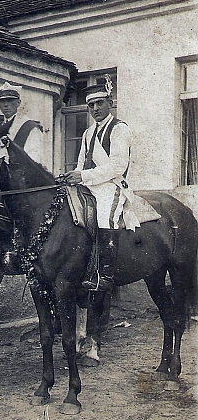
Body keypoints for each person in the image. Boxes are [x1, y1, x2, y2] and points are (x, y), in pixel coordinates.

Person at [63, 75, 140, 292]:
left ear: (110, 104)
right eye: (90, 105)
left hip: (112, 185)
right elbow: (81, 165)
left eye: (99, 103)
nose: (95, 108)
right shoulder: (88, 134)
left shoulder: (119, 129)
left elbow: (117, 166)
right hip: (90, 184)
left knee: (105, 214)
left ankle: (106, 274)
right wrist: (73, 176)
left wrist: (84, 176)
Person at [0, 81, 44, 164]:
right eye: (2, 101)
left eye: (10, 100)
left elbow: (34, 161)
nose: (6, 104)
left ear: (18, 103)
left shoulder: (30, 128)